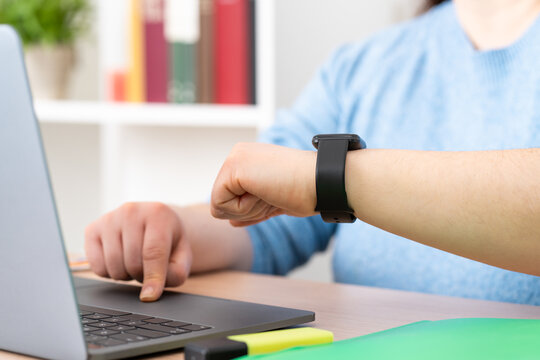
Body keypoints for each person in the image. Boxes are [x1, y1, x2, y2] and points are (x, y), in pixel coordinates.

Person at [85, 0, 540, 304]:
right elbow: (266, 219)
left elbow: (306, 179)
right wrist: (173, 228)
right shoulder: (364, 66)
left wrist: (329, 179)